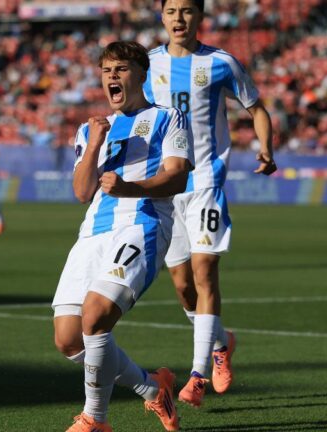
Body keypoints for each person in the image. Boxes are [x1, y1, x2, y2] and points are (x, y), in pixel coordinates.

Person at [52, 41, 194, 432]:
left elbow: (177, 175)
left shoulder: (169, 118)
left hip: (143, 222)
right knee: (68, 340)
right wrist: (95, 144)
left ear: (141, 74)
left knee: (95, 316)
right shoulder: (89, 128)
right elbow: (82, 192)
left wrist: (131, 188)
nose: (112, 76)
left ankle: (95, 418)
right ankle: (153, 388)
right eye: (107, 70)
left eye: (121, 68)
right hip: (93, 232)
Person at [142, 0, 277, 406]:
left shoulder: (221, 63)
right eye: (172, 11)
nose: (179, 18)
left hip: (205, 183)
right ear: (162, 17)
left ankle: (197, 374)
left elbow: (257, 109)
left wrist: (266, 150)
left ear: (200, 17)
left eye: (187, 11)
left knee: (204, 275)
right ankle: (222, 343)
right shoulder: (146, 66)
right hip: (168, 188)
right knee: (184, 289)